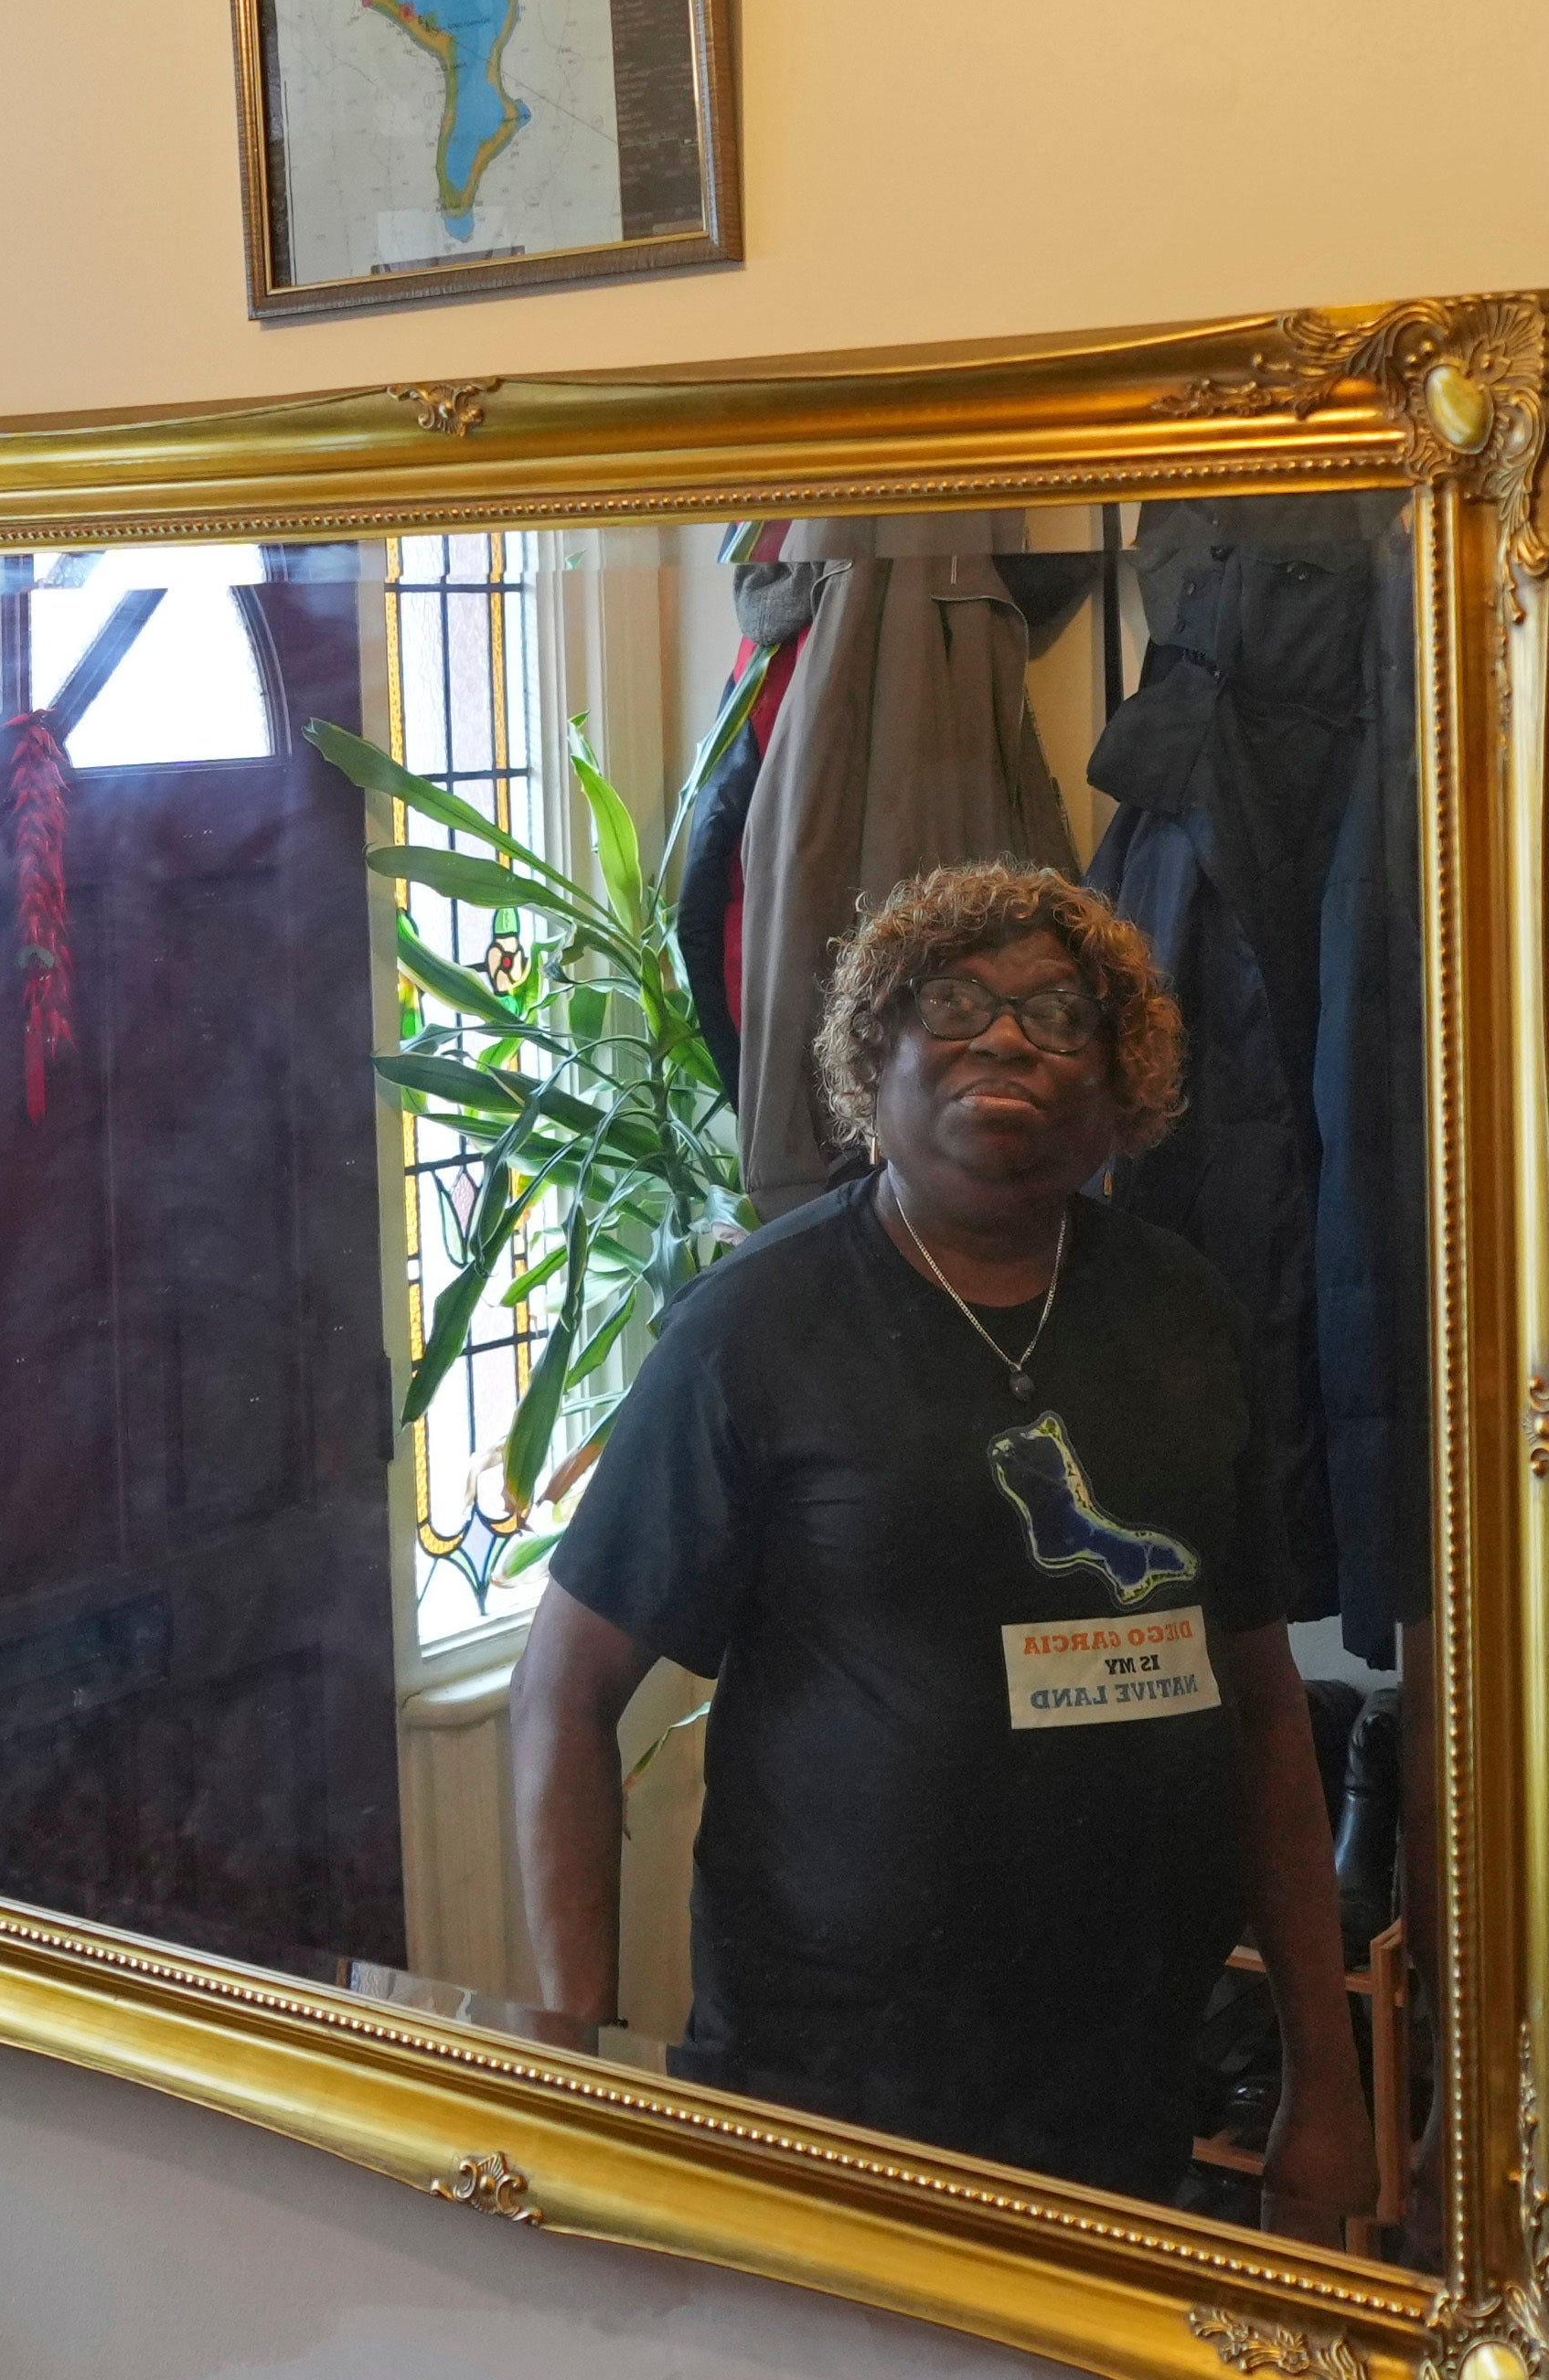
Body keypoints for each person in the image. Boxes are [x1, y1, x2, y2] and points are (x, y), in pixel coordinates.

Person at [508, 864, 1384, 2231]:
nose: (1004, 1036)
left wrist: (1323, 2086)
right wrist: (575, 2052)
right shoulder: (753, 1328)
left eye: (1057, 1012)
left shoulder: (1184, 1314)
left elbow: (1263, 1707)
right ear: (878, 1055)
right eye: (953, 1003)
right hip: (828, 2083)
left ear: (1121, 1081)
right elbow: (563, 1689)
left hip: (1130, 2069)